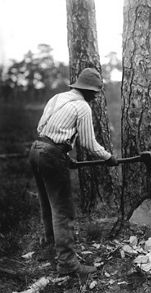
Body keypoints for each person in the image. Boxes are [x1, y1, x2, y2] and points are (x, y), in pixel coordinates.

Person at [29, 68, 118, 277]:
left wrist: (63, 154)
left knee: (47, 203)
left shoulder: (57, 97)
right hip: (51, 155)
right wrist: (108, 157)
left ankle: (51, 246)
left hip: (36, 149)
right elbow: (88, 143)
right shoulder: (82, 107)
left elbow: (42, 127)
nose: (96, 98)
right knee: (63, 211)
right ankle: (67, 263)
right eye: (95, 93)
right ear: (87, 91)